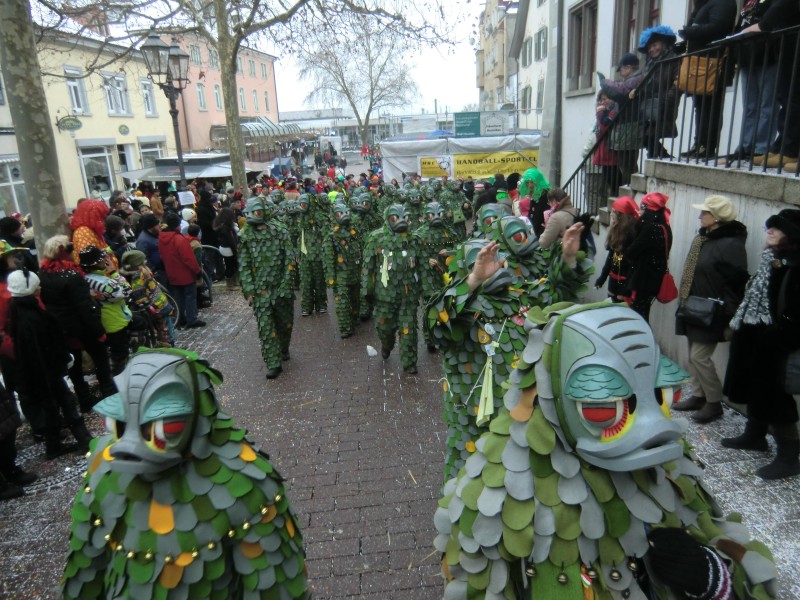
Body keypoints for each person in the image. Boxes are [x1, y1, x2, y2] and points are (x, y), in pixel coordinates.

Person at [722, 208, 800, 480]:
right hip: (758, 339)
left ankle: (789, 457)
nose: (770, 230)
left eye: (777, 228)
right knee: (757, 389)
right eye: (770, 226)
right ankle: (755, 436)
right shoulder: (773, 259)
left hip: (777, 345)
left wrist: (779, 336)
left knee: (777, 400)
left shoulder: (795, 266)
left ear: (792, 235)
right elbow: (763, 295)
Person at [672, 195, 748, 423]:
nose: (699, 216)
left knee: (700, 356)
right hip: (693, 306)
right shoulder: (702, 239)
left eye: (704, 213)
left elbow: (736, 283)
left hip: (713, 312)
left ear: (716, 217)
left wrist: (729, 318)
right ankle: (698, 396)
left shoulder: (731, 244)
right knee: (692, 355)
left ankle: (714, 403)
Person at [6, 269, 93, 459]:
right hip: (46, 372)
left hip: (37, 372)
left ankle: (54, 446)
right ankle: (84, 439)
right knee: (66, 403)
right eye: (37, 286)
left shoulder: (17, 311)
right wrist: (60, 362)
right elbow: (41, 348)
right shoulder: (33, 317)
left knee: (51, 408)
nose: (40, 288)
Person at [38, 235, 115, 412]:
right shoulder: (72, 275)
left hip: (61, 327)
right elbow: (84, 306)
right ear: (62, 251)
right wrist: (99, 331)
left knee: (74, 365)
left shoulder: (43, 273)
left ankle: (84, 398)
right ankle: (108, 392)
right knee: (100, 357)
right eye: (70, 248)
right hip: (82, 326)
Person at [599, 25, 681, 159]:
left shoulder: (674, 60)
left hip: (664, 103)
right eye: (649, 48)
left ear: (663, 43)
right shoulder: (651, 64)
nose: (652, 49)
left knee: (650, 133)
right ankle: (659, 157)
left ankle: (661, 156)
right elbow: (640, 83)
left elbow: (678, 83)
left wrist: (667, 99)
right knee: (647, 134)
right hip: (649, 104)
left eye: (654, 45)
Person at [238, 197, 295, 379]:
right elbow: (244, 265)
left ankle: (283, 348)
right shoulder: (245, 235)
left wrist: (286, 284)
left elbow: (289, 259)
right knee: (266, 327)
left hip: (280, 287)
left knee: (284, 323)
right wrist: (248, 289)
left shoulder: (280, 231)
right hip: (260, 291)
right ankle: (273, 363)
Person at [678, 0, 738, 159]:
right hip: (702, 63)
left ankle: (707, 146)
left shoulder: (723, 3)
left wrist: (689, 31)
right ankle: (699, 143)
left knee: (711, 107)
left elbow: (718, 27)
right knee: (701, 106)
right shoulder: (706, 5)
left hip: (713, 64)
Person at [81, 245, 133, 374]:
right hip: (115, 321)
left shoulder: (85, 279)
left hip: (102, 321)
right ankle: (119, 376)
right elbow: (127, 291)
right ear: (96, 263)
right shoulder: (104, 283)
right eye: (102, 259)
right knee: (120, 354)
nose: (104, 261)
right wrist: (114, 272)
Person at [625, 191, 672, 322]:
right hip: (655, 279)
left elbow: (631, 252)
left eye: (642, 208)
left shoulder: (650, 228)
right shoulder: (665, 227)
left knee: (639, 317)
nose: (639, 211)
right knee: (643, 313)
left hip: (643, 281)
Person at [158, 213, 205, 329]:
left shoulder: (161, 238)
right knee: (190, 296)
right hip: (185, 273)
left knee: (178, 297)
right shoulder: (179, 239)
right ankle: (191, 319)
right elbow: (188, 258)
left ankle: (181, 318)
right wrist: (197, 270)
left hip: (171, 272)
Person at [119, 250, 175, 347]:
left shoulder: (140, 273)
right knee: (166, 333)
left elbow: (141, 295)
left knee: (166, 332)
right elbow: (140, 296)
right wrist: (151, 309)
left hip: (159, 307)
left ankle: (169, 345)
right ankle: (170, 347)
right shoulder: (141, 275)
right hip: (159, 307)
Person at [607, 52, 642, 185]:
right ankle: (629, 188)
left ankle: (630, 190)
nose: (620, 73)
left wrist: (605, 82)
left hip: (628, 128)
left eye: (621, 69)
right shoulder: (632, 80)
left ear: (628, 68)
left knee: (628, 166)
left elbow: (620, 92)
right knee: (627, 166)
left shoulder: (633, 81)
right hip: (626, 129)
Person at [595, 196, 638, 302]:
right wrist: (602, 278)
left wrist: (626, 289)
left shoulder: (632, 234)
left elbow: (633, 265)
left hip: (625, 282)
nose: (611, 214)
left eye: (614, 211)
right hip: (613, 279)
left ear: (621, 215)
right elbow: (610, 257)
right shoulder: (615, 230)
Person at [71, 199, 118, 269]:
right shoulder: (83, 232)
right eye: (101, 216)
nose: (104, 219)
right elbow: (90, 260)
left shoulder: (92, 230)